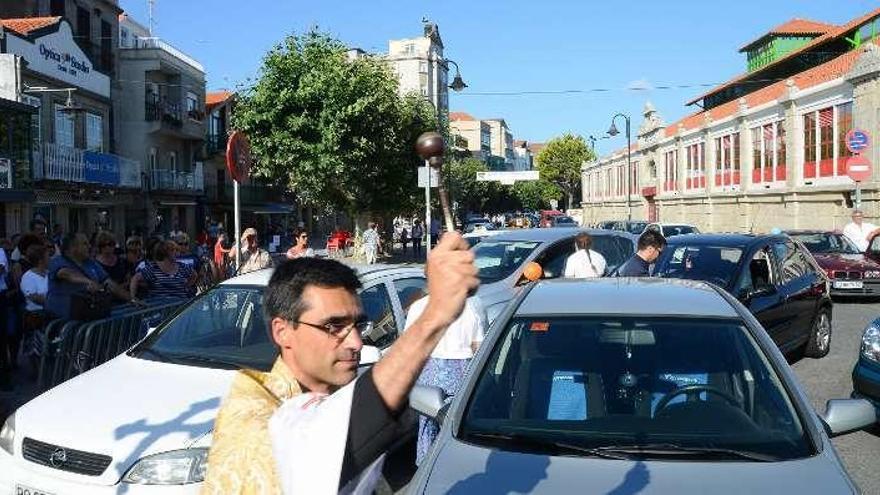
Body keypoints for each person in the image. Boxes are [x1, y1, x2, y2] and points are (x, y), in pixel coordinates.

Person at [202, 233, 478, 494]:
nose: (356, 343)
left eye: (357, 325)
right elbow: (333, 443)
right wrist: (436, 313)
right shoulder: (252, 415)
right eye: (333, 326)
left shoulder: (333, 392)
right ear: (282, 331)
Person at [405, 294, 486, 466]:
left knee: (427, 425)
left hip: (429, 372)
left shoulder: (419, 307)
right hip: (462, 372)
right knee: (458, 424)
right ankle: (459, 465)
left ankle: (427, 469)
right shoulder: (472, 305)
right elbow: (479, 348)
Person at [46, 233, 131, 320]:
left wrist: (132, 299)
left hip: (88, 319)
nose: (89, 246)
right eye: (85, 244)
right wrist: (89, 282)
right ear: (73, 248)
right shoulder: (57, 261)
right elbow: (67, 274)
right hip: (60, 323)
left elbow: (109, 283)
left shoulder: (91, 263)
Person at [130, 240, 197, 302]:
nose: (177, 253)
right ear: (164, 252)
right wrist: (134, 298)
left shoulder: (183, 267)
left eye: (177, 250)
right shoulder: (153, 268)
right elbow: (135, 279)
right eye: (173, 250)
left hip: (180, 307)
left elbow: (194, 275)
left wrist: (186, 286)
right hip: (159, 308)